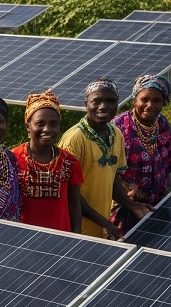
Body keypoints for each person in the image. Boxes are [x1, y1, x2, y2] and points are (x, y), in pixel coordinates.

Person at [111, 74, 171, 236]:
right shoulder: (118, 127)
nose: (150, 105)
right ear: (134, 100)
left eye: (157, 101)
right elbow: (107, 170)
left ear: (164, 102)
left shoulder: (162, 124)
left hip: (158, 204)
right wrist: (129, 191)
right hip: (127, 207)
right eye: (144, 100)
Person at [60, 78, 154, 240]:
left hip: (101, 226)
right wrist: (105, 222)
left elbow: (112, 179)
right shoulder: (74, 139)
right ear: (86, 104)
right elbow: (68, 193)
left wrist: (131, 205)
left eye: (110, 101)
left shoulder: (116, 134)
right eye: (96, 101)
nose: (103, 106)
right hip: (76, 228)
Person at [11, 89, 83, 234]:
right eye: (40, 123)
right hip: (21, 238)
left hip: (60, 238)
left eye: (53, 123)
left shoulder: (69, 162)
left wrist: (77, 237)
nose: (47, 129)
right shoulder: (12, 159)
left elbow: (74, 205)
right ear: (27, 126)